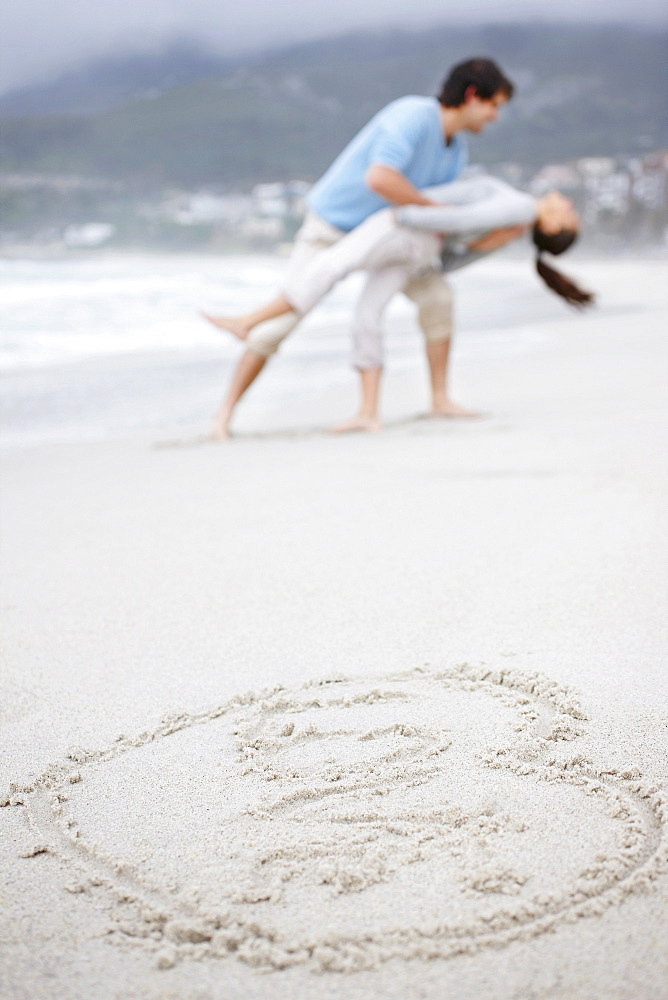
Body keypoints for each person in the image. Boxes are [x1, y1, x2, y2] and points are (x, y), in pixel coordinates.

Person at [204, 57, 515, 439]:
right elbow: (380, 178)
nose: (496, 117)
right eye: (494, 105)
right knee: (282, 323)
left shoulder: (456, 152)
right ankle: (222, 417)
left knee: (438, 300)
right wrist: (441, 212)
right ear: (471, 95)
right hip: (334, 226)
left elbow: (427, 215)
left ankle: (440, 399)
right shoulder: (413, 117)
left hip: (389, 238)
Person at [204, 176, 594, 431]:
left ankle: (247, 321)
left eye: (570, 215)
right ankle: (368, 413)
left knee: (328, 267)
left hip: (405, 226)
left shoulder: (521, 208)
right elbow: (450, 259)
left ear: (554, 226)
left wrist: (399, 214)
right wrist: (469, 243)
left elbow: (460, 217)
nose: (567, 203)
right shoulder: (515, 224)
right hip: (423, 247)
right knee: (369, 310)